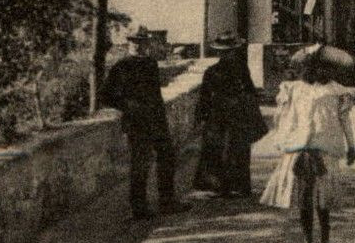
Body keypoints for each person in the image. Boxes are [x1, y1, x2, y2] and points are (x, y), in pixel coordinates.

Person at [261, 44, 355, 243]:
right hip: (308, 147)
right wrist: (282, 139)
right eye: (312, 66)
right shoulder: (298, 89)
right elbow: (282, 116)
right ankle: (312, 240)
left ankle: (320, 238)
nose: (316, 71)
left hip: (315, 147)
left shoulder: (332, 91)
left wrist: (351, 145)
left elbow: (344, 120)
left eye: (320, 67)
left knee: (317, 196)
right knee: (311, 196)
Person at [102, 27, 189, 220]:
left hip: (157, 119)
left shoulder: (150, 64)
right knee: (140, 164)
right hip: (136, 122)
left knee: (167, 157)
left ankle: (167, 202)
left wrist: (159, 114)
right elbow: (106, 96)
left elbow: (156, 93)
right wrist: (129, 106)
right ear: (128, 43)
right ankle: (139, 208)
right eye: (135, 42)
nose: (139, 46)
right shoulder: (121, 67)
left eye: (142, 42)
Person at [193, 32, 262, 197]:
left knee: (234, 149)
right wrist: (202, 116)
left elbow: (249, 90)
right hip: (222, 116)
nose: (227, 54)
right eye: (224, 52)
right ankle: (226, 186)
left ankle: (234, 186)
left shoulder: (237, 69)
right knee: (225, 150)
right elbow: (205, 96)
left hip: (232, 115)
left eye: (229, 51)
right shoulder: (213, 71)